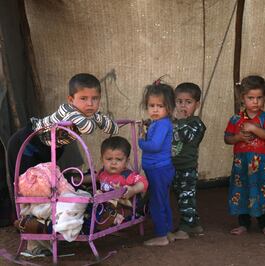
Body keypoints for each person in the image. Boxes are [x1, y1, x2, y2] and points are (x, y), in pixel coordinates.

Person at [7, 73, 119, 256]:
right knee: (28, 188)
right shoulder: (68, 111)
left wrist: (100, 119)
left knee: (49, 186)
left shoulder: (85, 113)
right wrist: (97, 118)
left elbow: (112, 128)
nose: (90, 104)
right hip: (26, 144)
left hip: (47, 147)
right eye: (83, 99)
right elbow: (88, 128)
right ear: (71, 99)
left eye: (95, 99)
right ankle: (29, 234)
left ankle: (50, 230)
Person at [224, 75, 265, 236]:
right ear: (243, 98)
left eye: (259, 98)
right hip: (242, 164)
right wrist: (238, 138)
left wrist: (253, 128)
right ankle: (243, 224)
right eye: (251, 98)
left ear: (264, 97)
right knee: (242, 191)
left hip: (261, 165)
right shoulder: (235, 119)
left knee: (262, 192)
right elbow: (227, 138)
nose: (255, 102)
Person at [138, 79, 176, 246]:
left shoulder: (162, 124)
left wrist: (140, 142)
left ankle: (161, 235)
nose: (154, 109)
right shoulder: (159, 123)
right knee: (162, 199)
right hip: (159, 169)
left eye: (159, 106)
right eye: (151, 105)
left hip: (158, 169)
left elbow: (154, 146)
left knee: (156, 201)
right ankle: (168, 231)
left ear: (169, 108)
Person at [171, 82, 206, 240]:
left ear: (196, 105)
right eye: (179, 102)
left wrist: (180, 120)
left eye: (188, 102)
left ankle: (185, 229)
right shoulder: (174, 122)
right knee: (182, 197)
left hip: (188, 168)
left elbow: (186, 136)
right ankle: (196, 225)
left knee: (186, 198)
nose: (183, 105)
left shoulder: (196, 123)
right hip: (174, 167)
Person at [97, 136, 148, 205]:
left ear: (126, 161)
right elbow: (93, 177)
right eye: (109, 159)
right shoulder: (102, 173)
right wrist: (80, 179)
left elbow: (144, 182)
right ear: (101, 160)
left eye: (119, 159)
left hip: (124, 209)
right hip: (106, 207)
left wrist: (133, 190)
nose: (113, 163)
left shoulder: (127, 175)